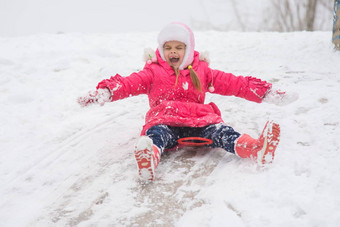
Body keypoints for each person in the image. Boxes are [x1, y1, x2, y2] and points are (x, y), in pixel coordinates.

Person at [78, 22, 297, 181]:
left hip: (200, 121)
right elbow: (128, 83)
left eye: (178, 47)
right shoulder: (152, 72)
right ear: (162, 50)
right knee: (157, 135)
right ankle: (149, 157)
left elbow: (234, 83)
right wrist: (105, 91)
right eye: (168, 48)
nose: (173, 51)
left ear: (188, 49)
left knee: (222, 132)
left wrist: (266, 92)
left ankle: (256, 148)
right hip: (165, 119)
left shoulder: (202, 70)